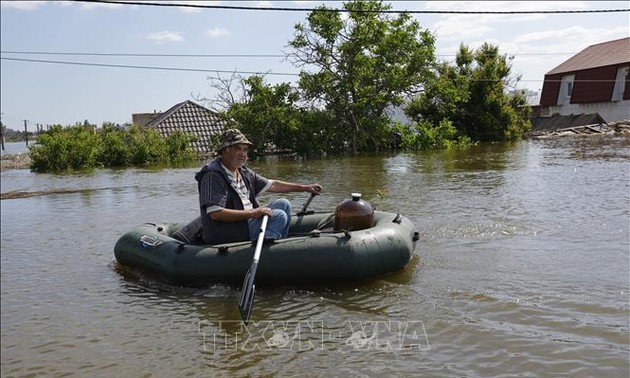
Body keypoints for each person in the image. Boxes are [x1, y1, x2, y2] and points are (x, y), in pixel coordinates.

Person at [195, 128, 322, 245]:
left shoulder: (243, 171)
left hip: (246, 221)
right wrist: (253, 213)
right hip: (228, 231)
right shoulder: (213, 175)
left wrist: (304, 187)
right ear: (225, 151)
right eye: (237, 149)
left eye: (245, 150)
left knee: (284, 204)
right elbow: (216, 214)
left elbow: (273, 185)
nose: (242, 154)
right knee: (279, 216)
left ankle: (279, 244)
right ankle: (268, 252)